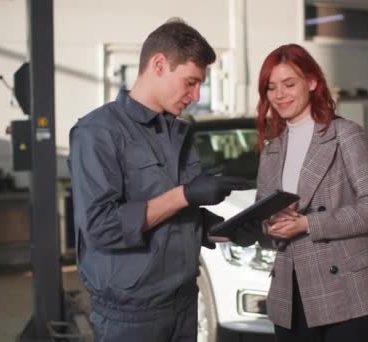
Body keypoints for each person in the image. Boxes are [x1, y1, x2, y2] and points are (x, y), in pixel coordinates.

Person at [68, 18, 248, 342]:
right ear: (160, 64)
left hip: (183, 302)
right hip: (131, 316)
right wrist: (185, 195)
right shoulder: (98, 133)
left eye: (199, 86)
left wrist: (227, 230)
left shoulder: (180, 133)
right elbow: (101, 227)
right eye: (190, 82)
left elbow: (177, 218)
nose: (195, 95)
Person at [237, 44, 368, 341]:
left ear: (312, 82)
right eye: (271, 87)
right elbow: (264, 217)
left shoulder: (344, 134)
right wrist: (268, 225)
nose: (279, 95)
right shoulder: (272, 151)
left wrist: (308, 224)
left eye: (289, 84)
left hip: (350, 293)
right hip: (291, 293)